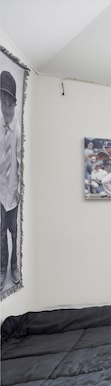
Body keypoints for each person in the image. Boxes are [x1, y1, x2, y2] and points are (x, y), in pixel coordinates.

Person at [0, 70, 21, 285]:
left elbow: (21, 161)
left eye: (9, 103)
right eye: (2, 102)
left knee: (13, 232)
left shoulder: (18, 130)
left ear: (15, 104)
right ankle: (2, 269)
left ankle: (14, 266)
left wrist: (21, 187)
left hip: (13, 191)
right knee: (0, 234)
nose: (6, 108)